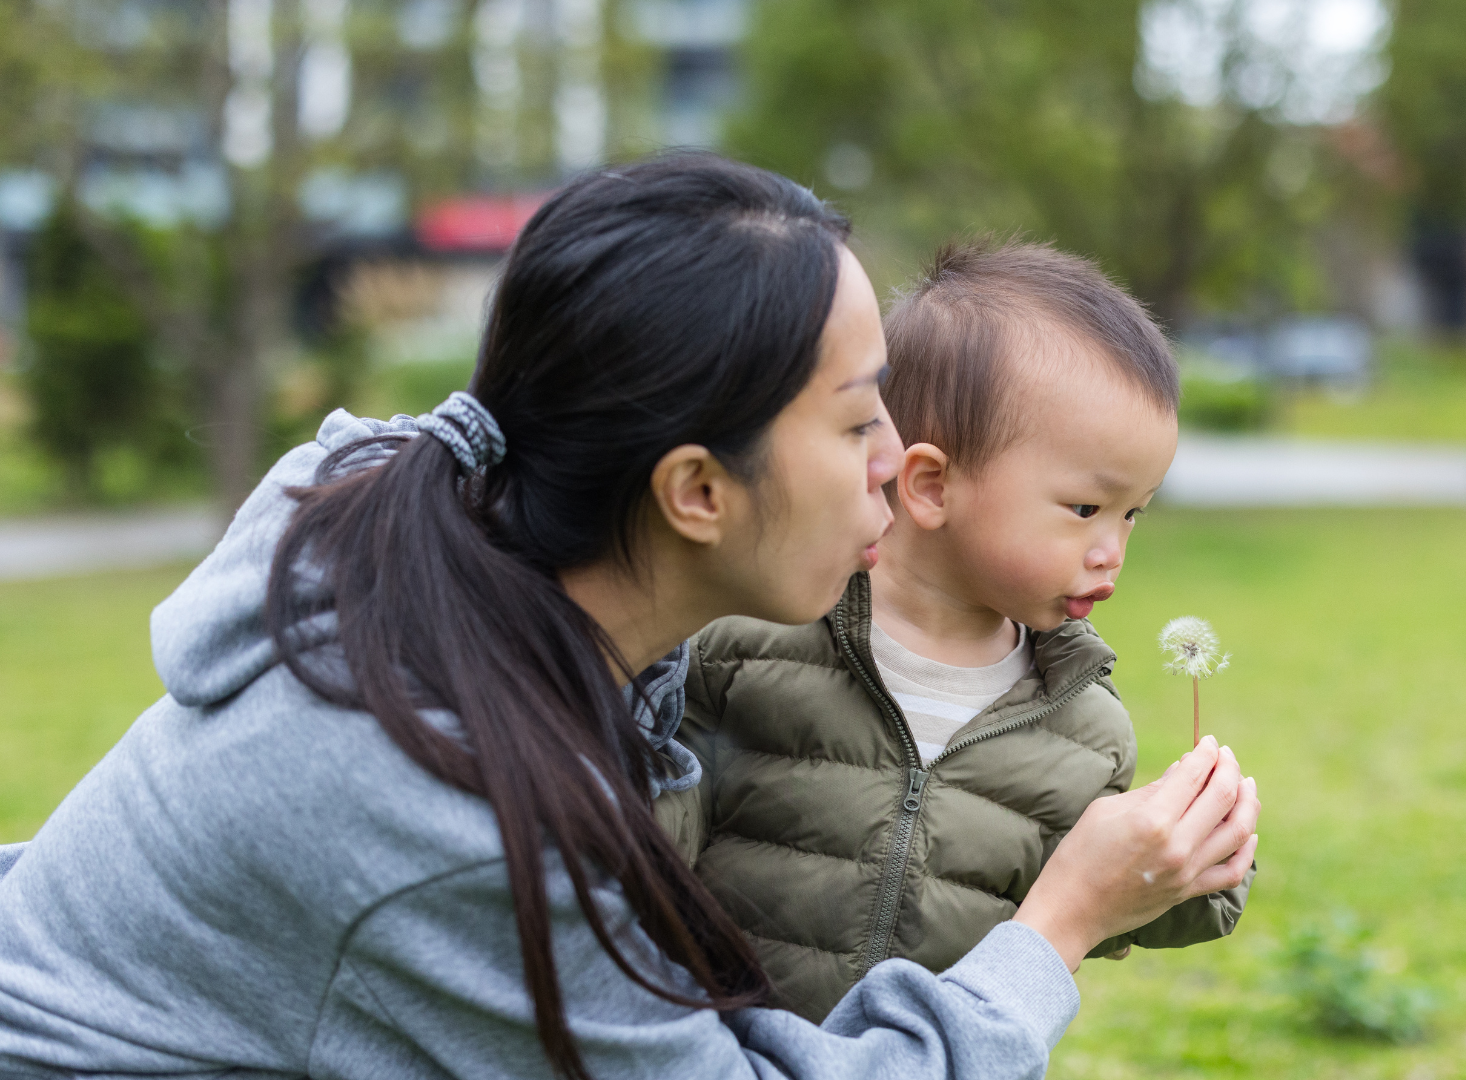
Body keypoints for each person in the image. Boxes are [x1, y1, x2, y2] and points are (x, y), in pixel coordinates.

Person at [0, 153, 1258, 1080]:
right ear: (696, 491)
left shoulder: (452, 549)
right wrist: (1060, 924)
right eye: (857, 418)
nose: (899, 465)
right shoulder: (459, 809)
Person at [664, 240, 1249, 1022]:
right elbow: (644, 845)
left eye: (1133, 512)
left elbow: (1106, 901)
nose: (1113, 549)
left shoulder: (1083, 727)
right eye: (1085, 508)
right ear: (932, 485)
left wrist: (1200, 856)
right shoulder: (755, 640)